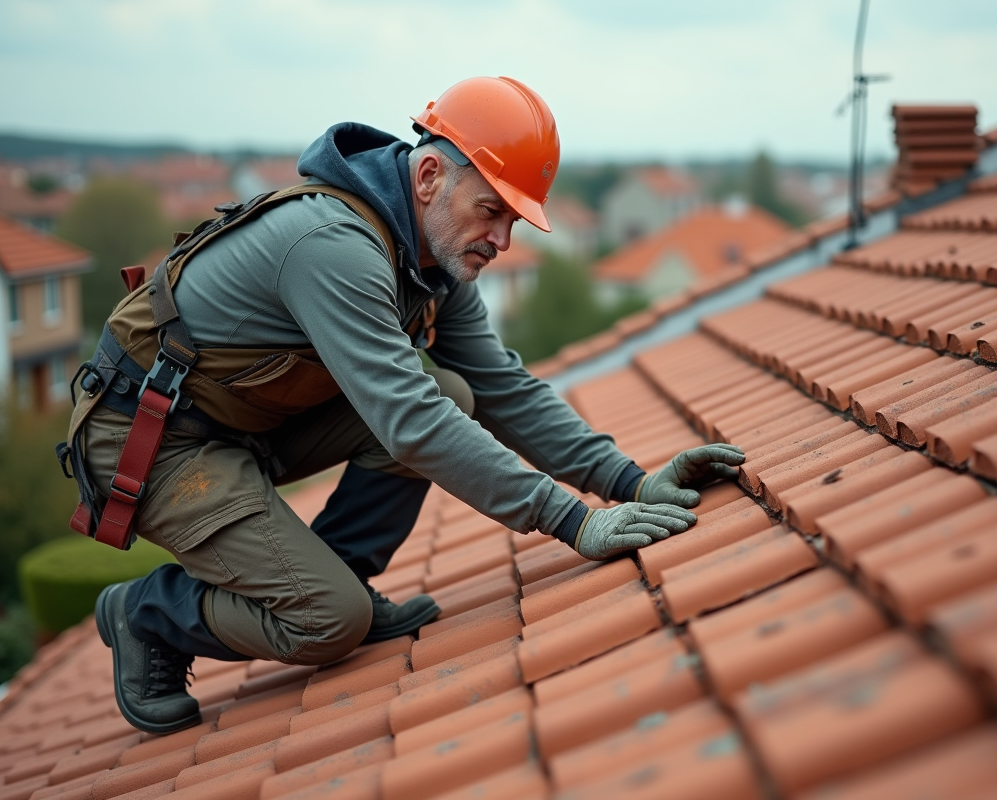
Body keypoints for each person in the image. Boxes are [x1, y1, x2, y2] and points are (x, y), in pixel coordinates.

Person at [66, 76, 745, 735]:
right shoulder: (332, 245)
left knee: (455, 390)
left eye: (513, 221)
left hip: (243, 424)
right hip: (153, 440)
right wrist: (571, 522)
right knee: (329, 623)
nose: (503, 242)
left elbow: (503, 387)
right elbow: (410, 422)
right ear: (428, 178)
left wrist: (629, 481)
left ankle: (340, 579)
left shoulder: (431, 259)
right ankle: (147, 613)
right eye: (492, 211)